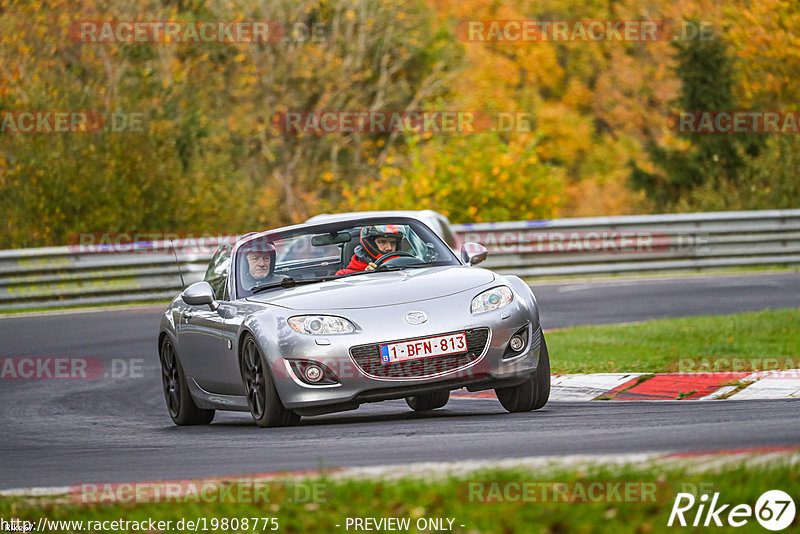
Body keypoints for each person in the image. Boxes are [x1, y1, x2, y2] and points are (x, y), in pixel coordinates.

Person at [336, 224, 404, 275]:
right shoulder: (344, 275)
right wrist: (366, 275)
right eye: (382, 242)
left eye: (393, 242)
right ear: (370, 243)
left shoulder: (406, 268)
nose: (389, 248)